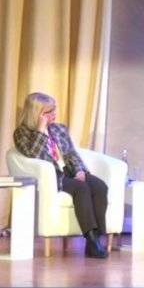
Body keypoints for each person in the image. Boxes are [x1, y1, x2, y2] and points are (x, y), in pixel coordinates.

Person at [13, 92, 109, 258]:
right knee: (81, 188)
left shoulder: (59, 129)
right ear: (36, 113)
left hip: (69, 170)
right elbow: (35, 154)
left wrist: (79, 170)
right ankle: (91, 239)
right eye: (48, 112)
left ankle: (97, 238)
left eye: (54, 109)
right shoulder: (22, 133)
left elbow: (71, 153)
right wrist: (41, 130)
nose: (54, 114)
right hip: (53, 175)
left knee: (100, 186)